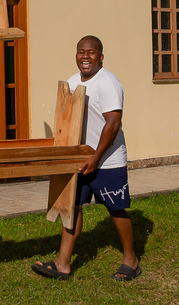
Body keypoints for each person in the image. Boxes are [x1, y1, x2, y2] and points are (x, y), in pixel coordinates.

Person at [31, 36, 141, 281]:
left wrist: (96, 157)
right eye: (81, 52)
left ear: (100, 57)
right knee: (73, 208)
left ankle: (131, 260)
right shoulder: (71, 82)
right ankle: (62, 264)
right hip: (80, 160)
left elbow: (113, 124)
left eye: (91, 53)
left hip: (108, 160)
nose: (85, 57)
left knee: (116, 209)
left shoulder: (108, 83)